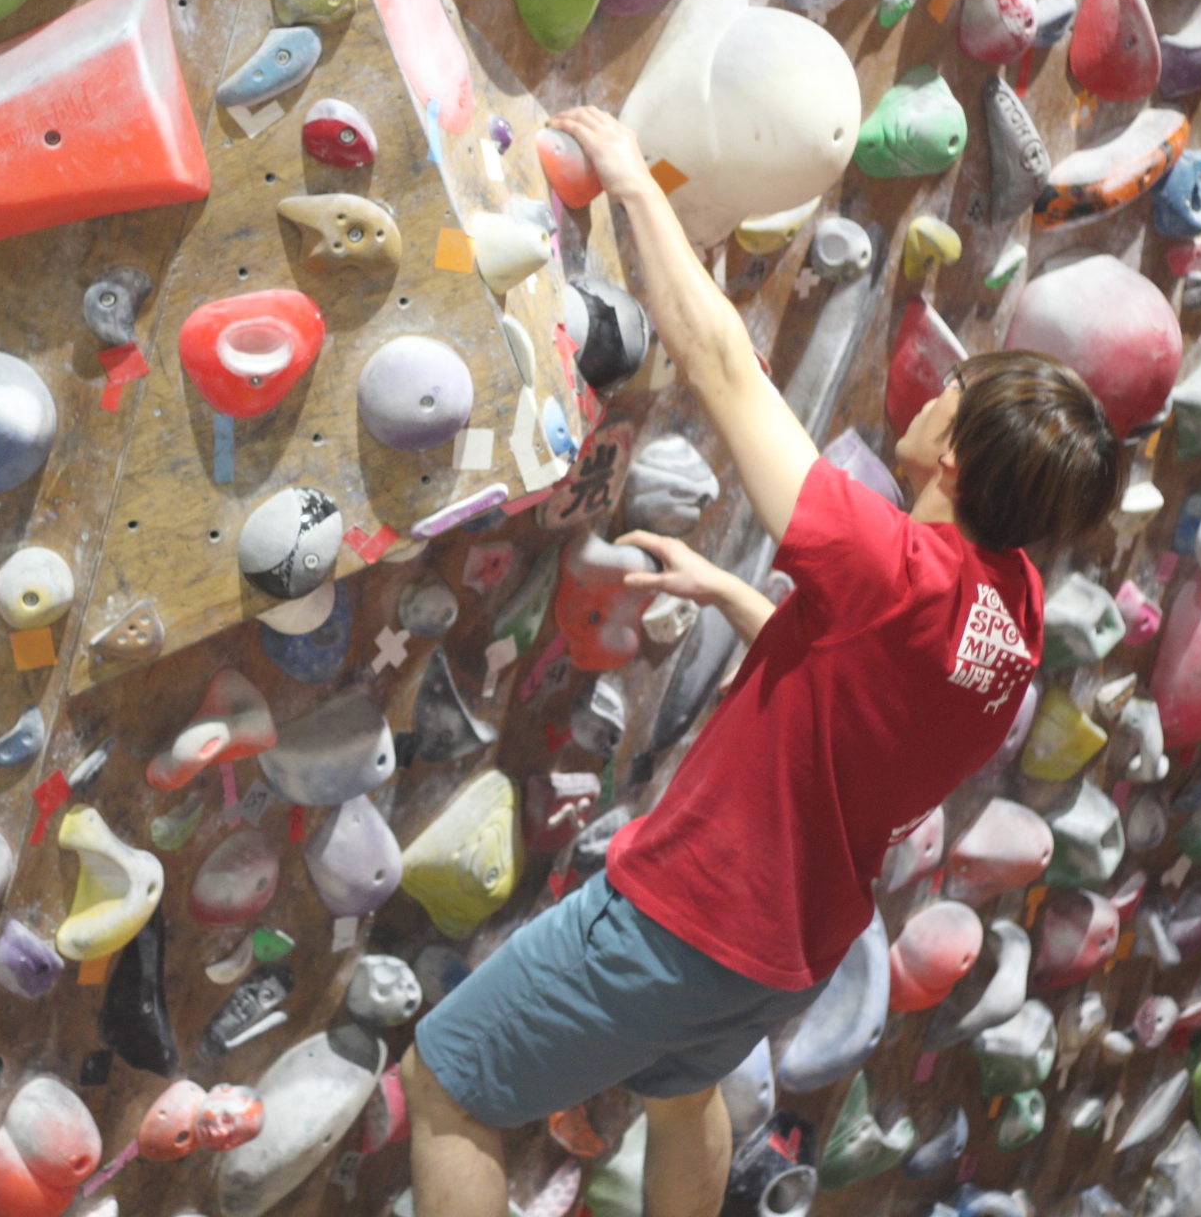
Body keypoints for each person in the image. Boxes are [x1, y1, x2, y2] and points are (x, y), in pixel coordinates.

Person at [400, 106, 1121, 1217]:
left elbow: (724, 365)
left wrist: (635, 182)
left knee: (445, 1083)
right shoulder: (1010, 615)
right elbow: (867, 696)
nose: (937, 388)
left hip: (689, 917)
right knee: (682, 1093)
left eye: (955, 395)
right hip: (785, 951)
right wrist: (739, 596)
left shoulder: (890, 565)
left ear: (960, 457)